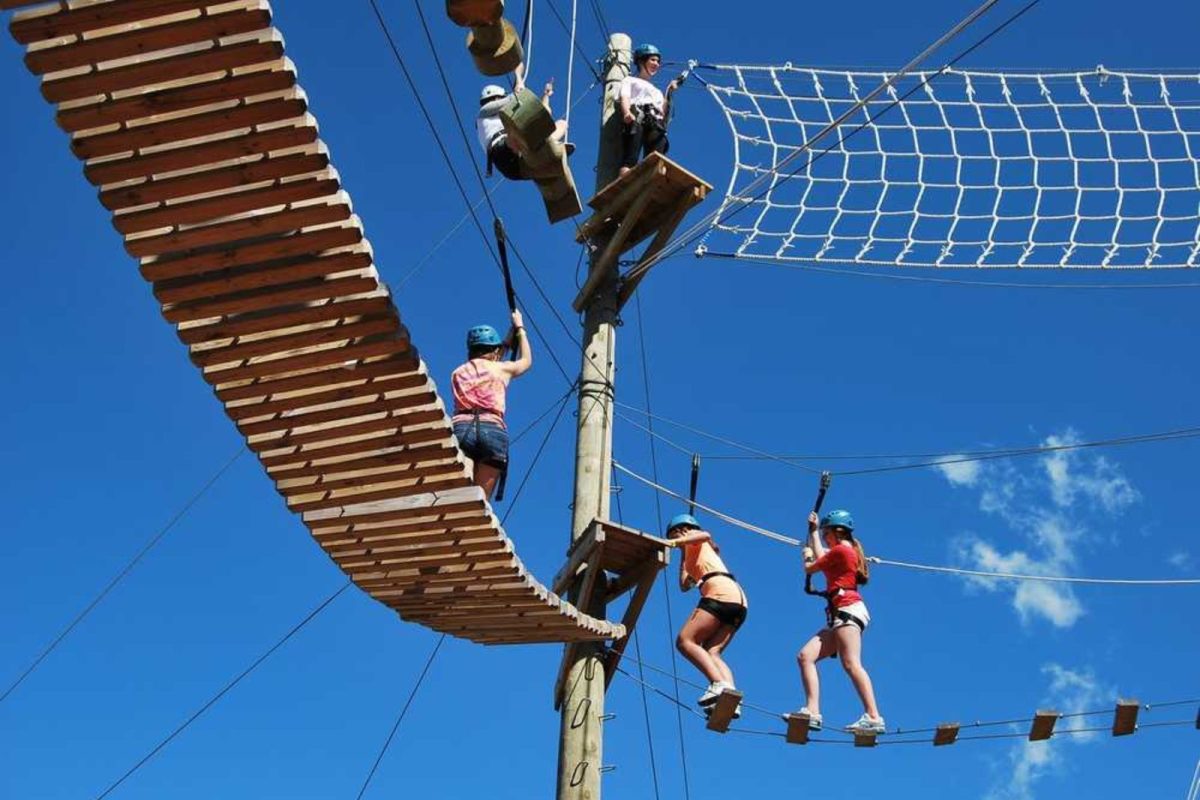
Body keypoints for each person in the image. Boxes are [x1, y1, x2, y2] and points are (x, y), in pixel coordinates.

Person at [790, 509, 885, 734]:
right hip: (840, 614)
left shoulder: (842, 550)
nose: (823, 537)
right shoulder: (843, 550)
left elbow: (811, 566)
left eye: (824, 533)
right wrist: (813, 532)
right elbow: (821, 554)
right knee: (806, 656)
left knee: (851, 663)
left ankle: (873, 716)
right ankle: (813, 711)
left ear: (835, 532)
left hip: (847, 610)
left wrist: (807, 555)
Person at [664, 513, 748, 715]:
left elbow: (704, 534)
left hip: (720, 592)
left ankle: (718, 683)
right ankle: (731, 696)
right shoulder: (694, 552)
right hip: (738, 600)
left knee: (685, 641)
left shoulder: (696, 536)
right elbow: (685, 585)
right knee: (712, 651)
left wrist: (675, 542)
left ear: (682, 530)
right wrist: (682, 554)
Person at [450, 309, 532, 498]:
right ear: (494, 350)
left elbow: (491, 357)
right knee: (480, 500)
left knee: (462, 493)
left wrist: (510, 334)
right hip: (493, 429)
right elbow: (526, 361)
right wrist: (520, 329)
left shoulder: (458, 372)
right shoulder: (502, 368)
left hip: (462, 428)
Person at [476, 66, 569, 181]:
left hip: (518, 168)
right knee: (517, 128)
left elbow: (542, 114)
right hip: (503, 154)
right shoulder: (483, 113)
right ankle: (544, 149)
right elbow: (514, 97)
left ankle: (549, 148)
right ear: (496, 98)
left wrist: (546, 95)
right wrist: (518, 81)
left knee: (562, 124)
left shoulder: (506, 115)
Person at [618, 43, 683, 177]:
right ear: (642, 60)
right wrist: (626, 112)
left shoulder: (657, 91)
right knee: (631, 157)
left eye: (658, 61)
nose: (656, 64)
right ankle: (624, 181)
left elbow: (662, 112)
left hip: (655, 122)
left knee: (655, 156)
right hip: (638, 117)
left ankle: (650, 179)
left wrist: (669, 91)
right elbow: (625, 97)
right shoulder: (629, 80)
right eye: (653, 60)